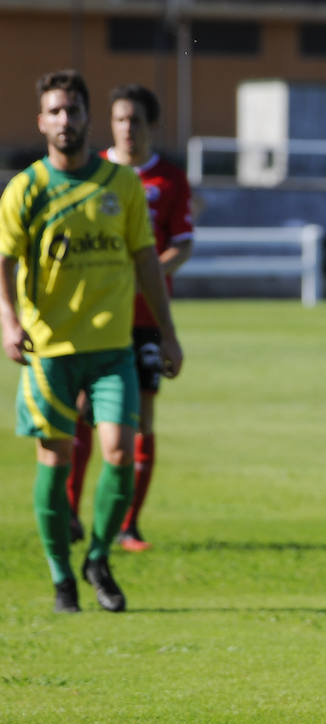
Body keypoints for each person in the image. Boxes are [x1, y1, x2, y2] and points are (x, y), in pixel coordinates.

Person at [0, 69, 183, 614]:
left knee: (120, 453)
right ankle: (62, 579)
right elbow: (4, 263)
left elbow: (147, 262)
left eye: (73, 110)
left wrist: (168, 332)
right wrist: (9, 322)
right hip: (49, 351)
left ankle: (98, 557)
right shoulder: (26, 189)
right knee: (54, 462)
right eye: (55, 111)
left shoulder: (120, 185)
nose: (65, 120)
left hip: (112, 349)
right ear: (42, 121)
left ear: (86, 118)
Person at [67, 83, 195, 551]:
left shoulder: (169, 180)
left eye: (136, 120)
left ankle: (129, 524)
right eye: (120, 119)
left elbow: (182, 243)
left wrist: (147, 273)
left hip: (144, 317)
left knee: (141, 419)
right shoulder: (91, 172)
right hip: (97, 318)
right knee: (82, 410)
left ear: (150, 126)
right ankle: (71, 513)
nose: (127, 128)